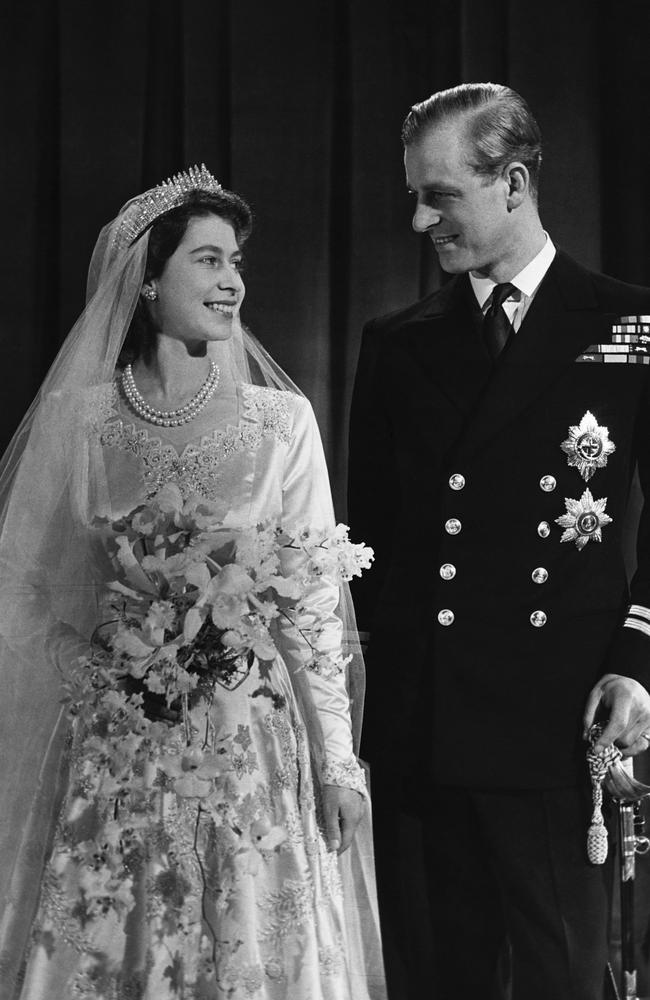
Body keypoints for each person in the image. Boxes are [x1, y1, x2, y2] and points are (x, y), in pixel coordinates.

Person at [0, 166, 385, 999]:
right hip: (120, 744)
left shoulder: (281, 424)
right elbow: (16, 584)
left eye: (236, 260)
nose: (233, 281)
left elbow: (314, 605)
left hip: (250, 743)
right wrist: (89, 667)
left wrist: (338, 763)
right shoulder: (79, 421)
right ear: (146, 282)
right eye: (208, 261)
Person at [348, 82, 650, 1000]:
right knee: (440, 982)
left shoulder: (630, 326)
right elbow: (373, 546)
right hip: (426, 729)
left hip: (558, 725)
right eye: (414, 193)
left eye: (439, 195)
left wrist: (637, 658)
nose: (417, 219)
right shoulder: (398, 343)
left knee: (564, 978)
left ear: (513, 183)